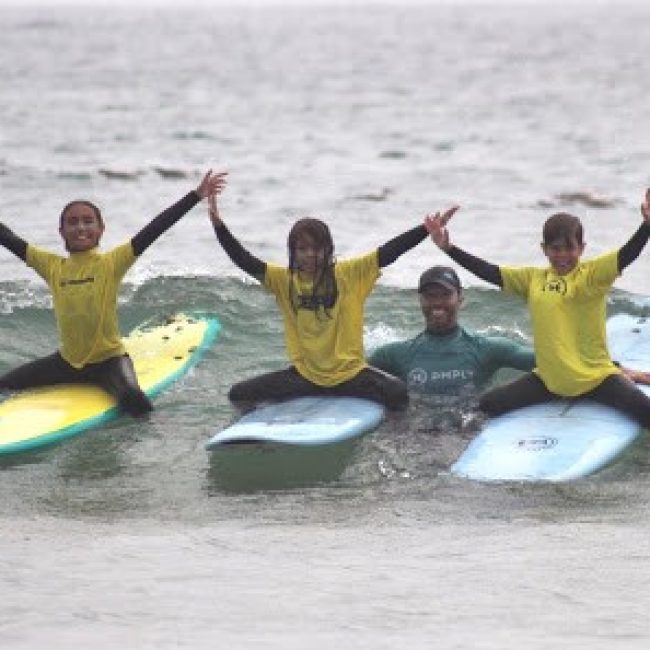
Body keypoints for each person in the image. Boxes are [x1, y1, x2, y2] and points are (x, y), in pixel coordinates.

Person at [0, 169, 227, 416]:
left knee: (134, 400)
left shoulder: (111, 263)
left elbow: (155, 228)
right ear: (61, 231)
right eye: (72, 222)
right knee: (4, 385)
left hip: (109, 363)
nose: (80, 227)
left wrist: (195, 195)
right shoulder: (52, 266)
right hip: (66, 363)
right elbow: (8, 238)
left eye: (88, 221)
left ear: (101, 230)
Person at [424, 192, 650, 427]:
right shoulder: (533, 279)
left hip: (597, 380)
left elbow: (627, 254)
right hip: (550, 382)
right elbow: (488, 272)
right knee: (485, 405)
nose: (562, 255)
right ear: (544, 249)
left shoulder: (593, 275)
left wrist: (646, 226)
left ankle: (627, 374)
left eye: (569, 248)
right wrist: (449, 248)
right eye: (555, 248)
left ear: (582, 248)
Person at [207, 189, 433, 410]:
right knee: (238, 394)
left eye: (316, 248)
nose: (309, 254)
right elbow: (245, 261)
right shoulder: (284, 280)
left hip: (350, 376)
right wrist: (219, 226)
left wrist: (425, 229)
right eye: (302, 248)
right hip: (305, 378)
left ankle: (396, 435)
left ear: (328, 249)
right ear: (293, 252)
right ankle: (255, 437)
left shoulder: (350, 273)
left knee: (397, 391)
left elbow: (389, 252)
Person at [368, 265, 535, 399]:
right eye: (430, 296)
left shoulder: (487, 349)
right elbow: (350, 375)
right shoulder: (394, 354)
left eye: (445, 295)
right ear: (420, 300)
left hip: (468, 432)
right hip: (412, 433)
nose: (437, 303)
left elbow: (544, 362)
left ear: (460, 298)